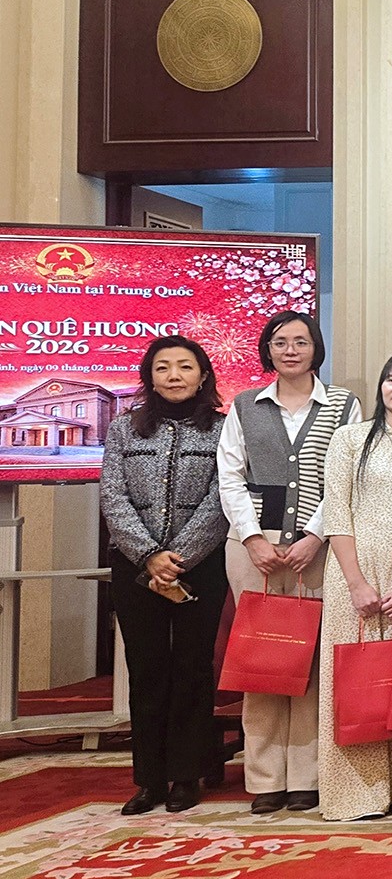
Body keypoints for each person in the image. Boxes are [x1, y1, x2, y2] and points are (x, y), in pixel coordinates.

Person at [217, 311, 361, 815]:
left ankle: (307, 775)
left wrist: (315, 536)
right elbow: (230, 476)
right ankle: (264, 777)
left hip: (317, 550)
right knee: (261, 658)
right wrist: (253, 537)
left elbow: (345, 476)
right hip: (252, 549)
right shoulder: (244, 405)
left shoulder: (343, 404)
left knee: (310, 660)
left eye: (301, 341)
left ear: (316, 348)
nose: (291, 350)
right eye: (281, 342)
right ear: (268, 350)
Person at [101, 336, 229, 816]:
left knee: (193, 667)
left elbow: (223, 496)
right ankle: (149, 779)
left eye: (185, 366)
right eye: (163, 367)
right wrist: (149, 555)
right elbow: (112, 496)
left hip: (201, 565)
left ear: (203, 375)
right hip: (134, 566)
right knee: (147, 668)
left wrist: (181, 557)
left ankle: (187, 775)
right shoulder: (124, 428)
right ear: (149, 377)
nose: (174, 375)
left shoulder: (223, 429)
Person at [317, 353, 392, 821]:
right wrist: (355, 582)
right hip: (354, 571)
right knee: (357, 676)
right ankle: (357, 792)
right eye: (391, 379)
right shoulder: (350, 438)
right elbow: (337, 511)